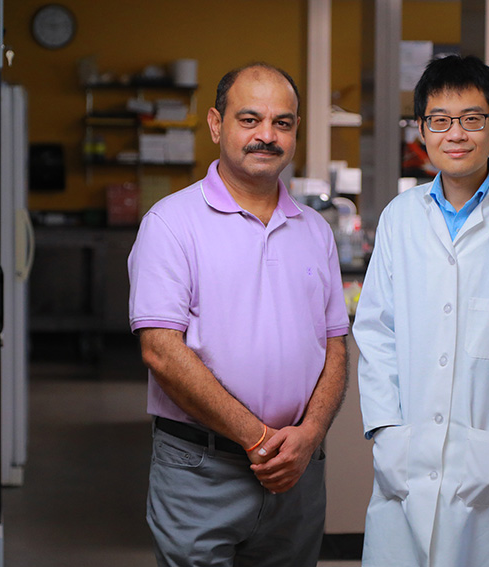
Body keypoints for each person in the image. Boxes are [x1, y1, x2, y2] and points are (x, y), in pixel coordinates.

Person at [352, 54, 489, 567]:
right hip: (405, 457)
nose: (456, 134)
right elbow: (375, 333)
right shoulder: (399, 217)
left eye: (472, 119)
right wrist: (387, 431)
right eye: (440, 120)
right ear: (423, 130)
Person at [127, 62, 349, 567]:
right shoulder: (170, 223)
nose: (266, 136)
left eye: (283, 123)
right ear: (215, 124)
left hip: (298, 473)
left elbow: (336, 345)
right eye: (249, 120)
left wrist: (309, 436)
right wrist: (259, 439)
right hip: (202, 470)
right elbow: (160, 352)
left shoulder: (315, 230)